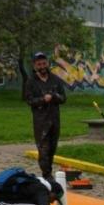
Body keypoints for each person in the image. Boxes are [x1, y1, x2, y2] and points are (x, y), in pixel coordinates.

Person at [24, 52, 66, 180]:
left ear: (47, 63)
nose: (42, 66)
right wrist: (43, 99)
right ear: (34, 65)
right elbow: (29, 100)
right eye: (39, 64)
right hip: (40, 121)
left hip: (54, 119)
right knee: (43, 150)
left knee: (52, 148)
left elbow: (64, 98)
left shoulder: (55, 80)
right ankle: (47, 175)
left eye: (44, 63)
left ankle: (49, 171)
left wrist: (54, 97)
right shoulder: (31, 82)